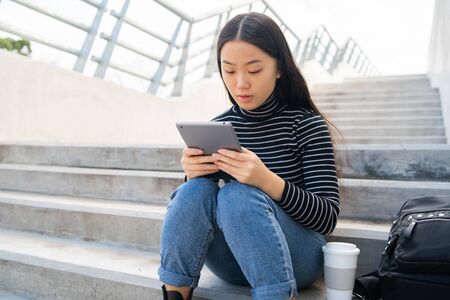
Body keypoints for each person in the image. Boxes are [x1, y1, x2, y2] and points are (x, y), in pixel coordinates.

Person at [159, 12, 340, 300]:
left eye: (254, 70)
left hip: (297, 260)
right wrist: (191, 174)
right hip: (231, 261)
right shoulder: (217, 127)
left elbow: (326, 218)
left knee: (238, 195)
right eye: (229, 71)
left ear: (279, 68)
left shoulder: (306, 125)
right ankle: (174, 295)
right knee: (193, 191)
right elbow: (196, 208)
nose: (240, 83)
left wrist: (265, 180)